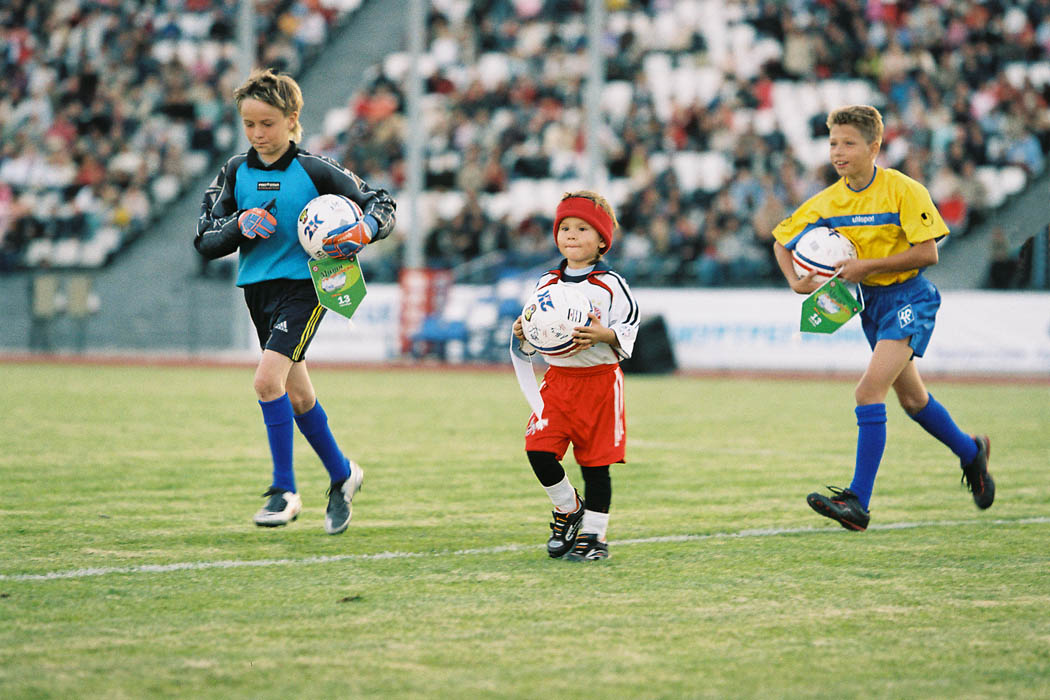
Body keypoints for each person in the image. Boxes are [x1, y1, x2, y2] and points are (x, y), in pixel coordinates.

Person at [771, 105, 994, 531]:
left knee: (868, 391)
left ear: (875, 147)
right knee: (913, 400)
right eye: (833, 143)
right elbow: (782, 241)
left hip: (911, 297)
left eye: (848, 143)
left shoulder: (903, 190)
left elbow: (928, 252)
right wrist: (796, 283)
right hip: (870, 304)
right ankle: (971, 453)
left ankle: (858, 501)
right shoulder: (828, 201)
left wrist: (866, 267)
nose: (838, 152)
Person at [194, 69, 396, 534]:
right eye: (249, 124)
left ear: (292, 120)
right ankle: (343, 475)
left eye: (267, 123)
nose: (258, 134)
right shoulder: (233, 172)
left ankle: (283, 490)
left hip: (306, 288)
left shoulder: (315, 169)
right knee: (298, 394)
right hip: (258, 291)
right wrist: (238, 226)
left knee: (267, 382)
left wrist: (365, 229)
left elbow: (379, 202)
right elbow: (203, 237)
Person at [511, 191, 640, 560]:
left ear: (601, 240)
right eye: (565, 227)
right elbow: (537, 331)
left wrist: (604, 335)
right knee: (538, 450)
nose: (570, 235)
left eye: (582, 228)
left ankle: (595, 537)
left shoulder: (611, 284)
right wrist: (525, 333)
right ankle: (568, 509)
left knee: (595, 465)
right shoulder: (546, 283)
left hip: (600, 382)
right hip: (558, 382)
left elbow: (630, 325)